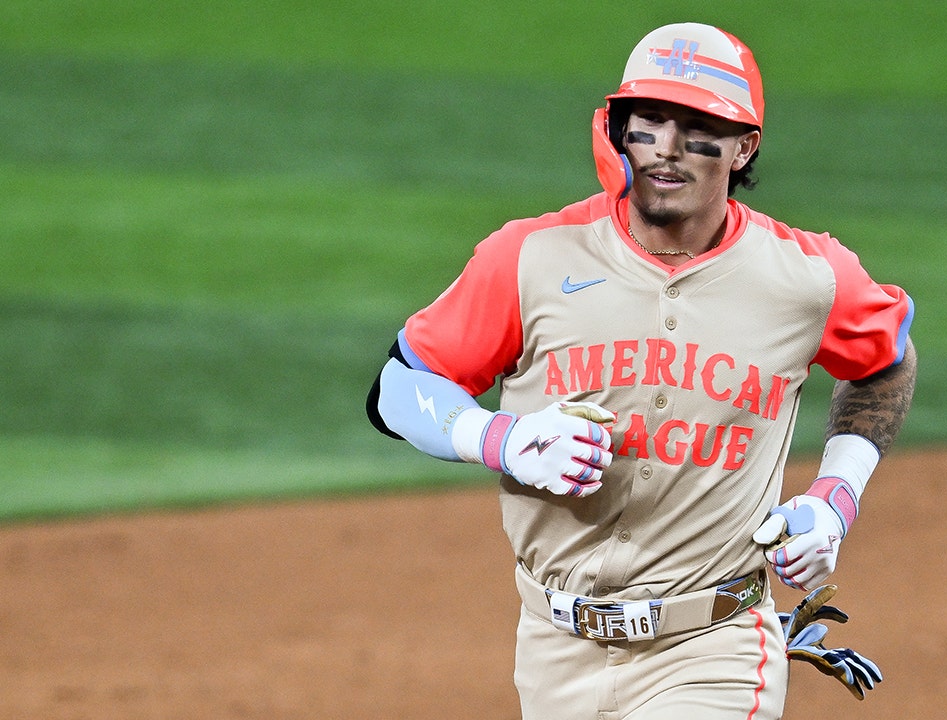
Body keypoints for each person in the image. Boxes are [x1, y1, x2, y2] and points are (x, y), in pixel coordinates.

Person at [366, 22, 916, 720]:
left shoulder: (805, 277)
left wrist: (836, 499)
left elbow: (886, 361)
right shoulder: (531, 258)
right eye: (649, 121)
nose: (668, 148)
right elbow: (398, 386)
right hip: (552, 650)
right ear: (618, 131)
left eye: (698, 126)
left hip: (714, 650)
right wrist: (499, 437)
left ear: (745, 144)